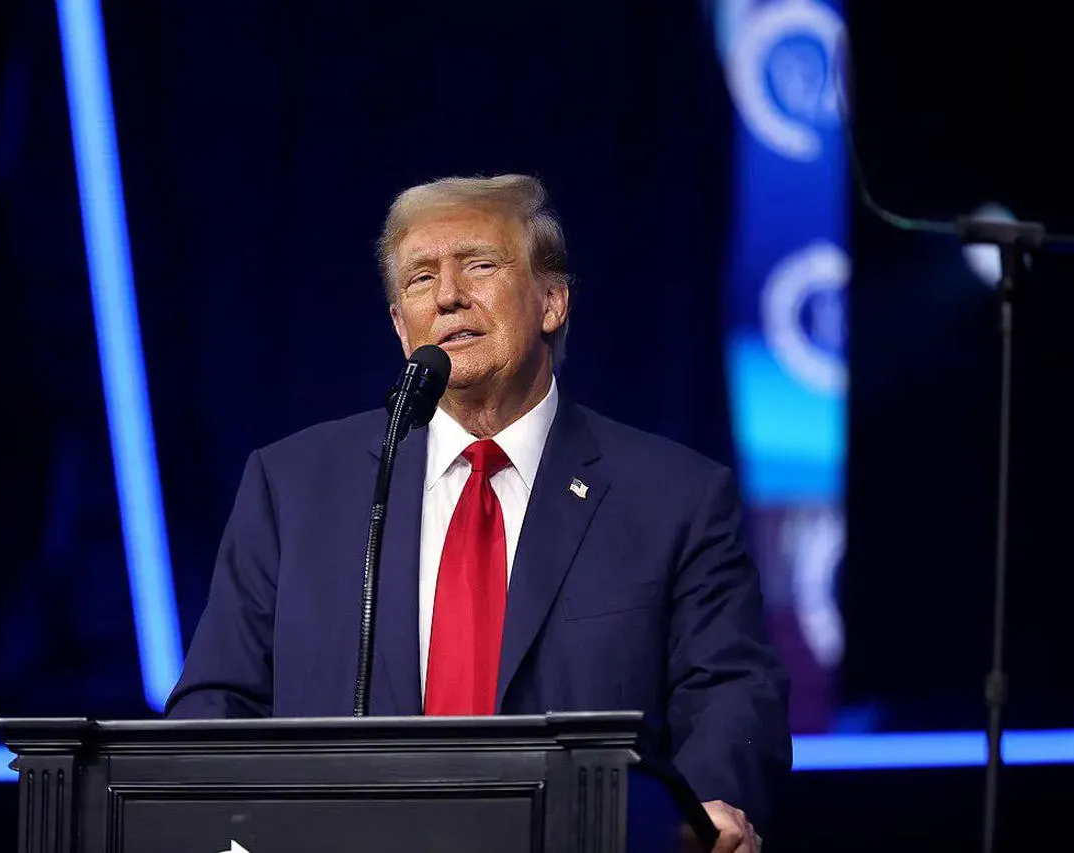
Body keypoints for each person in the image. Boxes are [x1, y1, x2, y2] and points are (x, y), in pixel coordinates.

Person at [165, 174, 791, 852]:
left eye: (479, 265)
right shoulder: (293, 487)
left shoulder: (675, 496)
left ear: (552, 300)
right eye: (419, 279)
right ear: (403, 329)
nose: (448, 295)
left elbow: (733, 692)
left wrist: (701, 811)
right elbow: (216, 702)